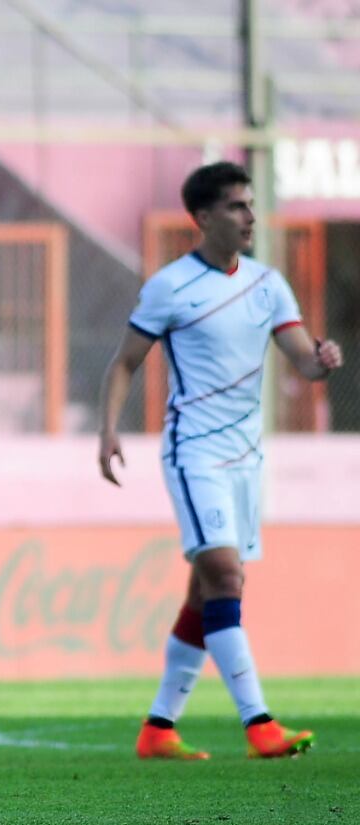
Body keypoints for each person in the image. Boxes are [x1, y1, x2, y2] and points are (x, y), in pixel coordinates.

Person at [97, 160, 342, 760]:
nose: (250, 216)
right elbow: (125, 360)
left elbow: (301, 360)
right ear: (204, 218)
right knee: (227, 578)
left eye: (250, 205)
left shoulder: (267, 284)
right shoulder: (170, 287)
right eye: (237, 206)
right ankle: (260, 725)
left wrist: (322, 361)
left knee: (208, 594)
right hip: (194, 454)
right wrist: (107, 431)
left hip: (246, 460)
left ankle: (158, 729)